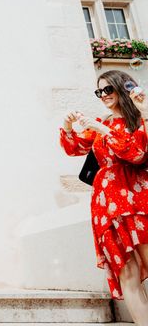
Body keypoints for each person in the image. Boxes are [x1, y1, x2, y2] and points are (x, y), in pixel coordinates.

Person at [60, 70, 148, 325]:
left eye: (108, 89)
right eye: (99, 91)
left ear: (122, 88)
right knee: (127, 272)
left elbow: (136, 153)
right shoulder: (104, 123)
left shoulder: (139, 118)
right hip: (107, 203)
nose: (103, 96)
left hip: (137, 198)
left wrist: (101, 127)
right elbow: (74, 148)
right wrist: (68, 127)